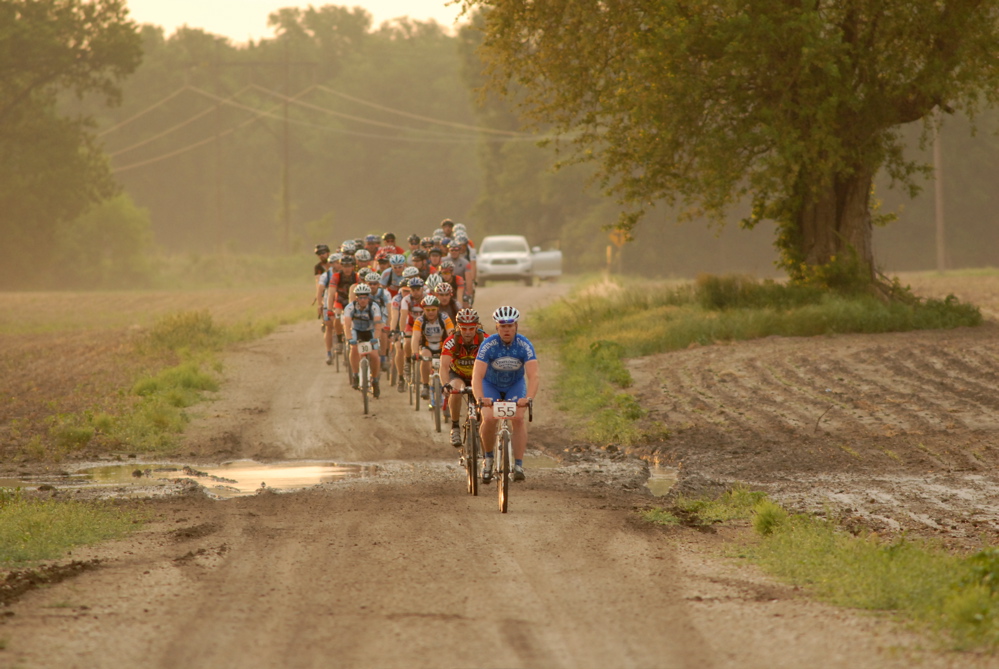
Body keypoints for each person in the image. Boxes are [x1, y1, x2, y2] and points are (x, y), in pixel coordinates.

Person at [472, 306, 539, 483]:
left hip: (514, 385)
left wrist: (529, 398)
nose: (506, 329)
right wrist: (480, 398)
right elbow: (477, 376)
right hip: (490, 385)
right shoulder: (489, 344)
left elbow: (533, 375)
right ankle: (488, 459)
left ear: (516, 326)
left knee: (518, 418)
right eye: (502, 326)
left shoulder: (524, 344)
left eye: (510, 326)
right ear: (496, 327)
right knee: (489, 418)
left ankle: (518, 464)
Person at [440, 308, 487, 447]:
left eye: (471, 328)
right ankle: (455, 427)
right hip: (458, 375)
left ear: (477, 327)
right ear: (458, 327)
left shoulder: (486, 340)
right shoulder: (451, 341)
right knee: (455, 389)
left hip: (479, 376)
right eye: (463, 328)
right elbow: (443, 366)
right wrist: (445, 385)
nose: (467, 332)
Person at [411, 295, 455, 401]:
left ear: (438, 309)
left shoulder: (444, 318)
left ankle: (447, 386)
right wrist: (415, 352)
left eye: (433, 310)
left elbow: (452, 335)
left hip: (443, 346)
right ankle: (425, 385)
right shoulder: (420, 320)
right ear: (423, 310)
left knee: (448, 364)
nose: (431, 312)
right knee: (425, 357)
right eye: (428, 310)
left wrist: (453, 350)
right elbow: (415, 337)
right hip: (427, 346)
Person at [342, 283, 382, 396]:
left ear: (368, 297)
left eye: (365, 297)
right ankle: (355, 375)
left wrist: (375, 338)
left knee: (374, 355)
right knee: (353, 349)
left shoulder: (374, 307)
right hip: (356, 331)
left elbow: (378, 325)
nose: (363, 300)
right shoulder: (350, 307)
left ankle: (375, 380)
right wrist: (349, 338)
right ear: (356, 298)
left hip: (370, 331)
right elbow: (347, 325)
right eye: (360, 297)